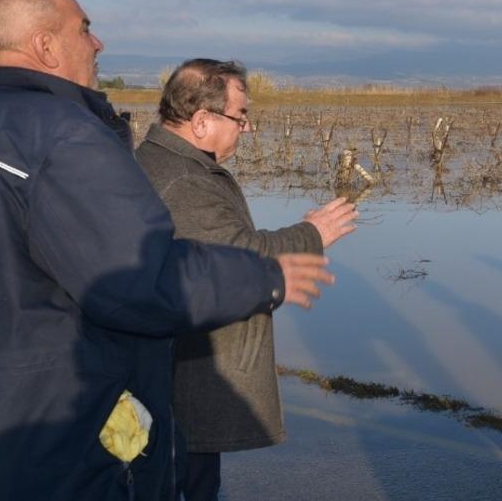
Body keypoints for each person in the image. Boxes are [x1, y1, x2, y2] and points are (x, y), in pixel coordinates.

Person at [0, 0, 334, 501]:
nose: (98, 43)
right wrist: (264, 275)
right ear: (45, 45)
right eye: (84, 28)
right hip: (57, 448)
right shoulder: (65, 136)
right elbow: (137, 281)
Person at [135, 59, 357, 500]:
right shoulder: (182, 181)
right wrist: (312, 234)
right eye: (240, 116)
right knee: (188, 486)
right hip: (184, 384)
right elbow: (235, 259)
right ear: (202, 121)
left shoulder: (169, 162)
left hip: (178, 375)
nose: (247, 127)